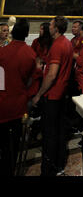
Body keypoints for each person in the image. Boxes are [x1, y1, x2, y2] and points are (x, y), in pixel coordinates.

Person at [32, 16, 73, 176]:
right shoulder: (66, 42)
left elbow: (52, 75)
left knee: (49, 134)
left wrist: (38, 94)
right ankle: (59, 164)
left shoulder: (57, 45)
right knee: (59, 131)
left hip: (53, 95)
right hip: (61, 93)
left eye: (51, 24)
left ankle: (48, 170)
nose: (49, 27)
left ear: (56, 28)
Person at [0, 19, 36, 176]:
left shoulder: (3, 52)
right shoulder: (31, 53)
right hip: (19, 103)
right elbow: (31, 79)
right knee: (14, 143)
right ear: (27, 33)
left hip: (2, 102)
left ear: (13, 33)